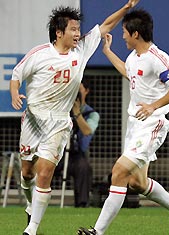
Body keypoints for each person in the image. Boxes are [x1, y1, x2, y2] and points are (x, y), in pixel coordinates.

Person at [9, 1, 140, 235]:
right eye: (73, 30)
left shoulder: (81, 49)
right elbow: (16, 75)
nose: (78, 34)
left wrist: (127, 6)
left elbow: (108, 24)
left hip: (59, 122)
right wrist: (14, 94)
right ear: (59, 33)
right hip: (33, 120)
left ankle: (32, 229)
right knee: (27, 172)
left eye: (79, 29)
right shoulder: (39, 54)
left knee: (45, 171)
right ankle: (31, 205)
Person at [78, 8, 169, 235]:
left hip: (153, 123)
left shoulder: (158, 58)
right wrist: (108, 52)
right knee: (138, 183)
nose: (122, 36)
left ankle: (97, 232)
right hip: (135, 125)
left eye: (124, 33)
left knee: (118, 172)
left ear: (136, 34)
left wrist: (152, 106)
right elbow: (128, 72)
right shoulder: (134, 57)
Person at [55, 79, 100, 207]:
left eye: (78, 90)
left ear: (86, 91)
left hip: (77, 154)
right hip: (59, 152)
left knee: (84, 168)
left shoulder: (92, 114)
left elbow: (87, 131)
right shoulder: (62, 110)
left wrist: (77, 113)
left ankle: (82, 204)